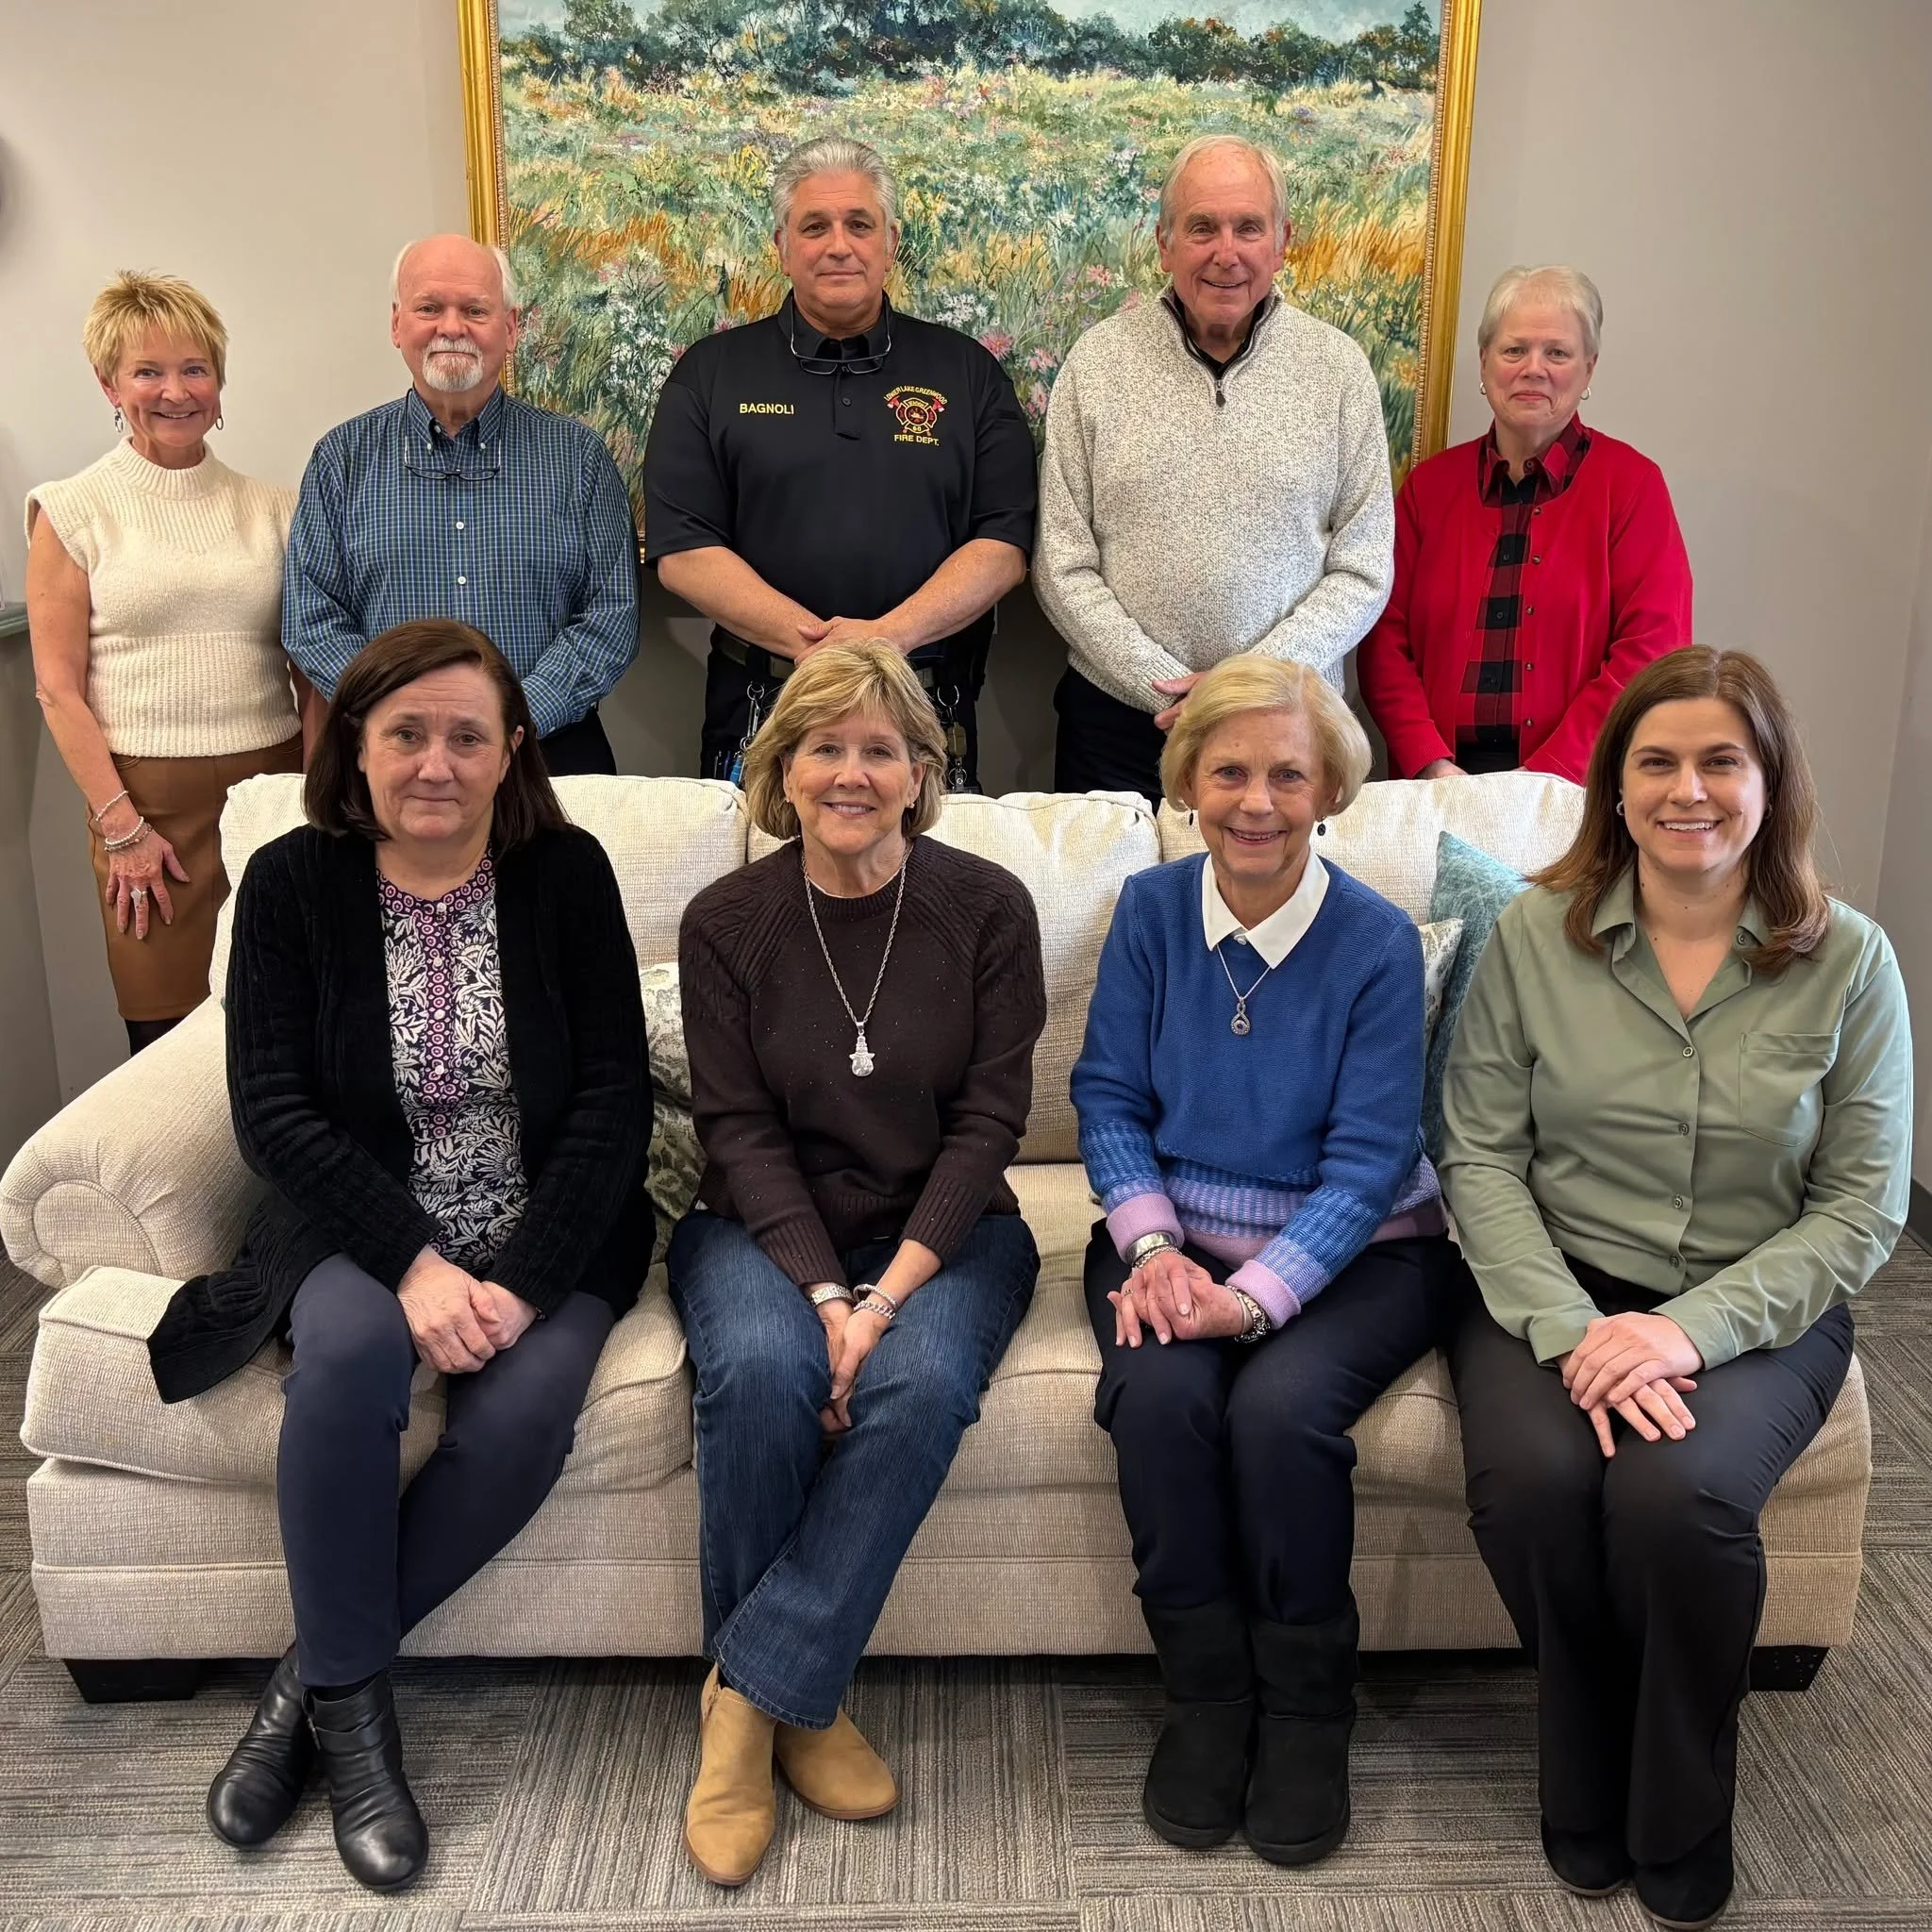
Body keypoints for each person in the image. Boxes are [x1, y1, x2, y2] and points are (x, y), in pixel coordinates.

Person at [146, 620, 652, 1891]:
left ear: (512, 749)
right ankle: (364, 1737)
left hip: (550, 1225)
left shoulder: (567, 872)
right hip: (357, 1218)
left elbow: (612, 1099)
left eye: (467, 735)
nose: (437, 761)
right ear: (356, 747)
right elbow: (273, 1110)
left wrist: (521, 1281)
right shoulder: (291, 882)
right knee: (348, 1363)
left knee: (521, 1419)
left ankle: (305, 1689)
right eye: (406, 733)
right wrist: (417, 1266)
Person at [1441, 647, 1911, 1928]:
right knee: (1533, 1484)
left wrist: (1679, 1333)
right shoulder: (1535, 934)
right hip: (1551, 1285)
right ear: (1616, 782)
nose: (1686, 789)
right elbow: (1477, 1154)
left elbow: (1862, 1207)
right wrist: (1574, 1328)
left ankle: (1681, 1804)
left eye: (1719, 761)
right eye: (1656, 761)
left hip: (1755, 1305)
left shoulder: (1850, 959)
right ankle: (1582, 1759)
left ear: (1770, 781)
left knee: (1678, 1499)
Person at [1071, 653, 1458, 1864]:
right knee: (1156, 1399)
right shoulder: (1147, 912)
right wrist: (1150, 1248)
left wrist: (1245, 1304)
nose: (1254, 800)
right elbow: (1107, 1098)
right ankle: (1208, 1692)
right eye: (1227, 771)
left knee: (1279, 1414)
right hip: (1169, 1240)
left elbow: (1367, 1165)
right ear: (1186, 781)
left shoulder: (1374, 942)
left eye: (1286, 774)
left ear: (1329, 789)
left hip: (1360, 1253)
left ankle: (1304, 1707)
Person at [669, 641, 1045, 1886]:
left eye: (880, 748)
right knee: (763, 1374)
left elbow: (990, 1123)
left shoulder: (988, 908)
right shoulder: (726, 921)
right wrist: (825, 1292)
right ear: (781, 768)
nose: (851, 772)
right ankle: (805, 1701)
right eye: (823, 746)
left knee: (919, 1383)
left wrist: (884, 1299)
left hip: (948, 1232)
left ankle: (750, 1698)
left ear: (922, 772)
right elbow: (736, 1128)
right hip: (758, 1226)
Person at [644, 135, 1037, 791]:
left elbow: (1004, 545)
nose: (838, 245)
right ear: (781, 246)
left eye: (859, 224)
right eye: (814, 227)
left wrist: (887, 639)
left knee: (927, 862)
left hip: (926, 703)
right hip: (762, 703)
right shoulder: (709, 375)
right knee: (762, 863)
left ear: (891, 241)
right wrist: (819, 649)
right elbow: (684, 551)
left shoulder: (968, 373)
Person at [1038, 136, 1394, 803]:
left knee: (1281, 879)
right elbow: (1062, 563)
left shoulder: (1339, 370)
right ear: (1164, 243)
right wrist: (1165, 687)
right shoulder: (1096, 365)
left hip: (1290, 729)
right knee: (1116, 879)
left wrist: (1248, 686)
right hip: (1121, 727)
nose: (1226, 252)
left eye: (1248, 228)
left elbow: (1364, 566)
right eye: (1202, 228)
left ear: (1281, 242)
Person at [25, 272, 307, 1055]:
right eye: (148, 371)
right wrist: (122, 829)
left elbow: (309, 670)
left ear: (220, 381)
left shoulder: (276, 508)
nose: (176, 392)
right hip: (144, 813)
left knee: (287, 1017)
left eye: (195, 369)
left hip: (271, 792)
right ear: (108, 384)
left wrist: (313, 794)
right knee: (165, 1036)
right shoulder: (71, 510)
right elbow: (57, 689)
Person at [283, 235, 640, 775]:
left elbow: (612, 615)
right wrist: (404, 716)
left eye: (475, 310)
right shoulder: (342, 459)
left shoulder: (579, 458)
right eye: (429, 308)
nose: (451, 327)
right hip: (390, 761)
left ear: (510, 328)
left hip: (548, 753)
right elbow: (312, 618)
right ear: (397, 324)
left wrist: (514, 718)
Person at [1359, 265, 1692, 783]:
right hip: (1436, 790)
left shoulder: (1632, 486)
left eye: (1557, 353)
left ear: (1589, 369)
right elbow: (1383, 638)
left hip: (1577, 790)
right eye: (1514, 350)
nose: (1533, 369)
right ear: (1484, 361)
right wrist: (1429, 762)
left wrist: (1546, 776)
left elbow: (1653, 649)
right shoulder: (1428, 489)